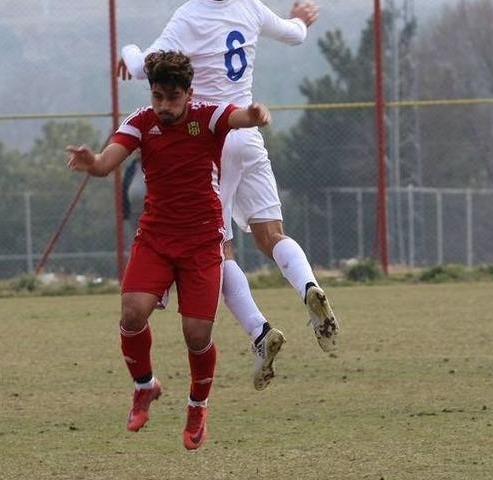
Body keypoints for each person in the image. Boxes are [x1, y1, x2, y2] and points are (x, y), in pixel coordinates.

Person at [118, 0, 339, 391]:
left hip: (209, 137)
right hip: (247, 131)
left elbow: (141, 67)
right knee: (272, 234)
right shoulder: (250, 7)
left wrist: (126, 52)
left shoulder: (190, 15)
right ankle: (308, 287)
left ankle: (260, 331)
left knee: (218, 251)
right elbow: (294, 34)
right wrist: (301, 20)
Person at [67, 51, 270, 450]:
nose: (164, 106)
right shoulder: (142, 122)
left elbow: (237, 117)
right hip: (157, 238)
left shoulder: (207, 116)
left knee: (197, 335)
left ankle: (198, 405)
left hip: (201, 243)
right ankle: (145, 386)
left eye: (172, 98)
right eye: (158, 96)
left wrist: (256, 114)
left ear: (188, 94)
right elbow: (108, 162)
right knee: (132, 311)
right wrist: (92, 163)